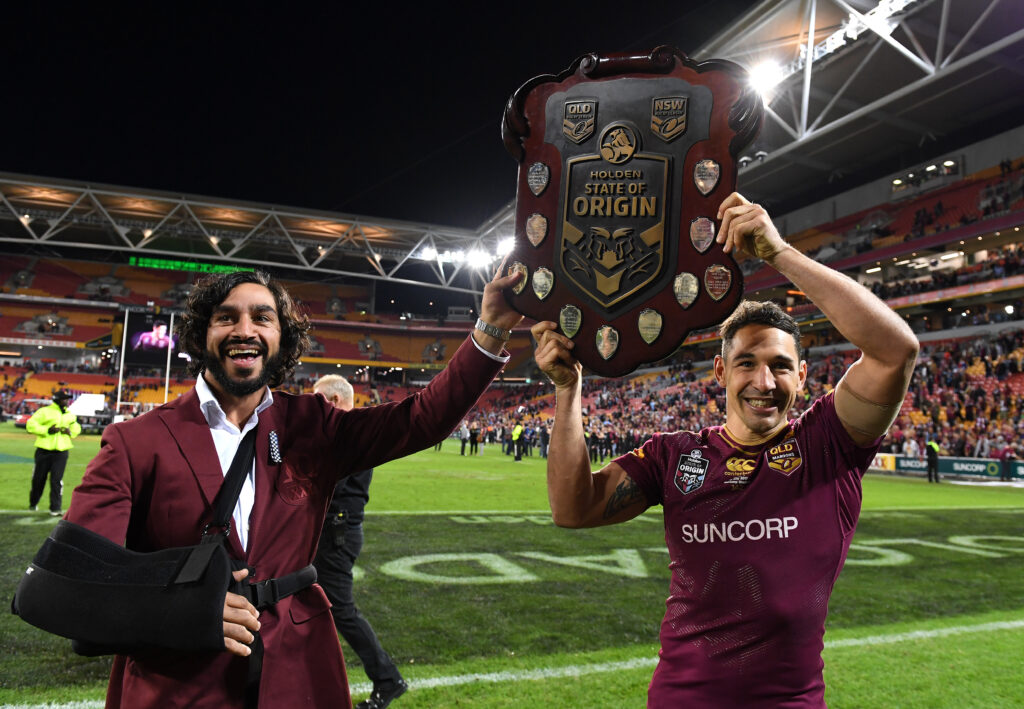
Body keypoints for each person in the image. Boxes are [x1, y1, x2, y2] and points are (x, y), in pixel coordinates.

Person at [63, 266, 522, 709]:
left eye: (263, 317)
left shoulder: (313, 426)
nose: (246, 329)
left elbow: (422, 418)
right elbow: (74, 581)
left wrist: (492, 328)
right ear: (202, 333)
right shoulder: (135, 440)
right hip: (178, 678)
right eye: (227, 317)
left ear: (282, 339)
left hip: (297, 669)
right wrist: (178, 610)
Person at [532, 193, 919, 708]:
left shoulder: (829, 444)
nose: (764, 380)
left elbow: (898, 351)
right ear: (719, 373)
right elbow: (572, 508)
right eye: (746, 363)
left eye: (781, 365)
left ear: (802, 377)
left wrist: (778, 252)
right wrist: (566, 390)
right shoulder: (673, 456)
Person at [312, 374, 407, 709]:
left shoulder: (347, 433)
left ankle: (387, 678)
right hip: (336, 530)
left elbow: (329, 486)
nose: (313, 406)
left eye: (317, 399)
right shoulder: (353, 431)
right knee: (308, 603)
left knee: (341, 609)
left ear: (334, 401)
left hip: (336, 532)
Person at [26, 389, 81, 516]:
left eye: (67, 399)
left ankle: (55, 508)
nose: (67, 401)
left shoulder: (70, 414)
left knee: (57, 480)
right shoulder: (44, 412)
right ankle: (33, 503)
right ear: (57, 400)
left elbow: (76, 427)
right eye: (64, 399)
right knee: (38, 479)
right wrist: (46, 430)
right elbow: (30, 425)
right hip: (44, 450)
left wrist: (70, 432)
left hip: (61, 452)